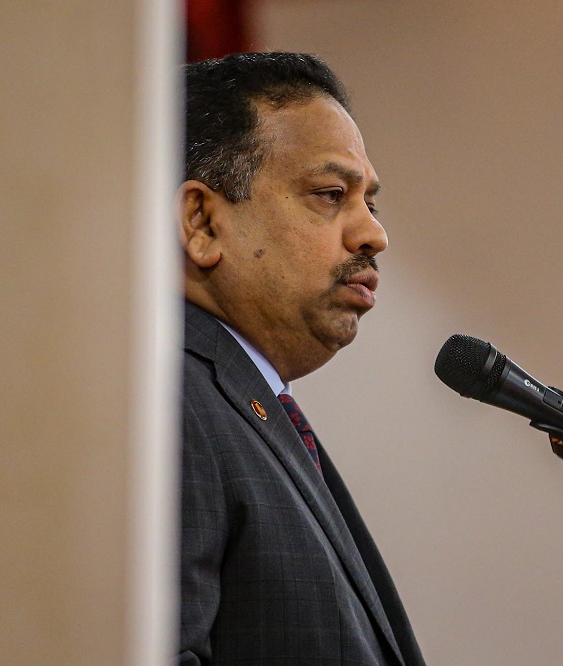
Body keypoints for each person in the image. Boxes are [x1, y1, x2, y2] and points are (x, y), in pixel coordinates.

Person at [177, 52, 426, 665]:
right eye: (330, 194)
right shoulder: (169, 404)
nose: (373, 234)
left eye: (369, 201)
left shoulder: (241, 401)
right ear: (202, 221)